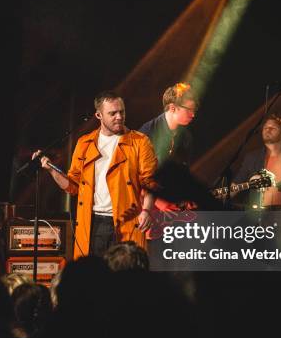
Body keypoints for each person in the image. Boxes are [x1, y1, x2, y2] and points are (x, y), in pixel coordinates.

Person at [34, 90, 158, 258]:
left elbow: (150, 182)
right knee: (94, 278)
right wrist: (51, 170)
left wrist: (147, 211)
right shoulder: (85, 143)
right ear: (99, 115)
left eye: (121, 112)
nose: (119, 117)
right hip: (93, 223)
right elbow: (72, 186)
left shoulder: (139, 142)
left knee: (126, 276)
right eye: (112, 113)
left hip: (126, 221)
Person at [139, 82, 197, 212]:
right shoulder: (147, 133)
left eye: (194, 110)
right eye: (188, 109)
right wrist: (159, 202)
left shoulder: (186, 138)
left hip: (169, 206)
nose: (193, 114)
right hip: (144, 207)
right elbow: (134, 175)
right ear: (172, 108)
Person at [232, 114, 281, 210]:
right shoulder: (252, 158)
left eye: (273, 128)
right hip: (258, 216)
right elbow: (237, 183)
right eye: (265, 128)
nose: (268, 130)